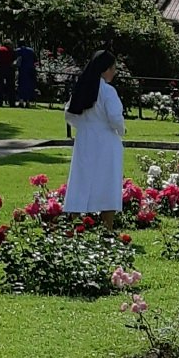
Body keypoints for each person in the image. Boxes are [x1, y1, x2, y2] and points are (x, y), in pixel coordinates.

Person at [62, 50, 125, 226]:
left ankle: (71, 225)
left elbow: (69, 114)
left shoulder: (82, 88)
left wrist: (84, 127)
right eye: (113, 68)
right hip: (106, 142)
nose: (114, 72)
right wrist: (121, 130)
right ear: (105, 69)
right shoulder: (107, 91)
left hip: (85, 140)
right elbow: (114, 117)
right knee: (108, 183)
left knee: (80, 180)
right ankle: (108, 228)